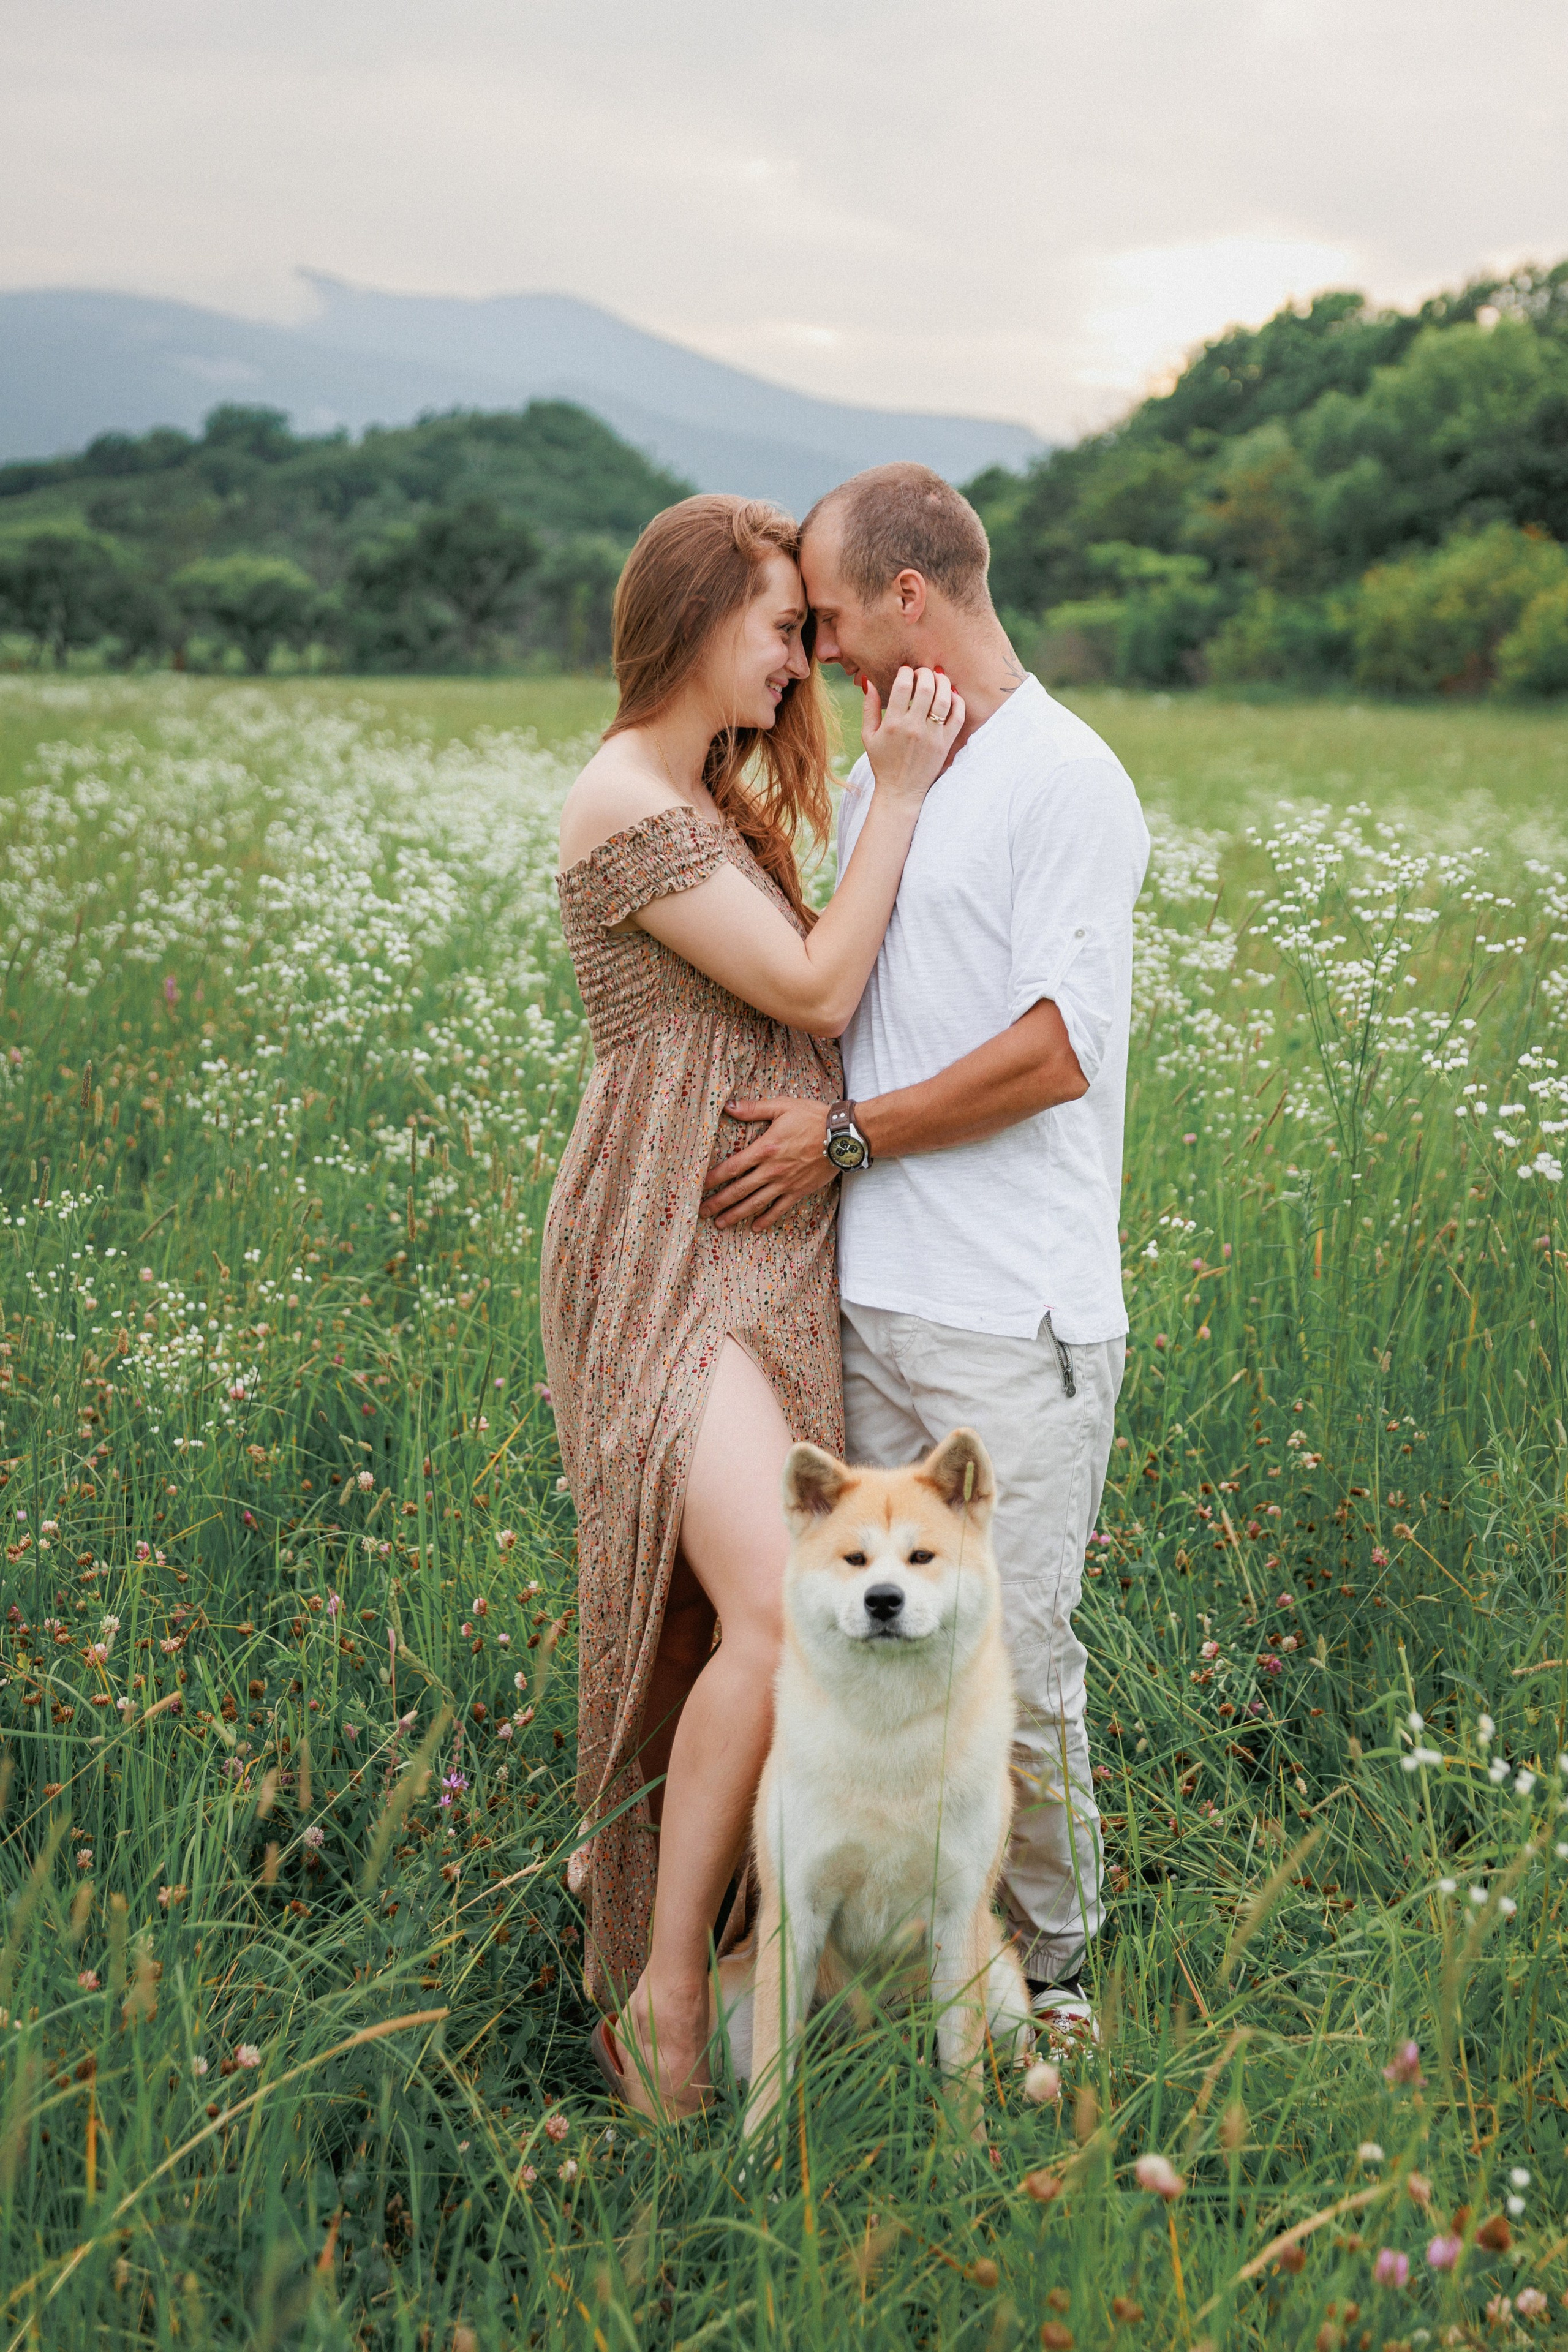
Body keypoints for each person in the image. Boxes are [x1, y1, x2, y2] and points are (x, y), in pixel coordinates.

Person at [700, 462, 1149, 2038]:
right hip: (868, 1296)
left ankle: (1059, 1982)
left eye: (825, 618)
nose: (814, 652)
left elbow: (1052, 1051)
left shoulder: (1062, 778)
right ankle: (891, 1981)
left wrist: (843, 1140)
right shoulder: (917, 762)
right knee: (865, 1655)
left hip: (1001, 1318)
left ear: (909, 600)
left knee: (1009, 1666)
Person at [540, 491, 964, 2115]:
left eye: (809, 629)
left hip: (756, 1248)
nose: (799, 660)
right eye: (783, 626)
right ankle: (661, 2011)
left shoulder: (705, 799)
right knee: (777, 1610)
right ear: (698, 611)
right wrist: (906, 793)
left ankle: (712, 1954)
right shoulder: (623, 798)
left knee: (741, 1616)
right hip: (662, 1253)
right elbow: (811, 989)